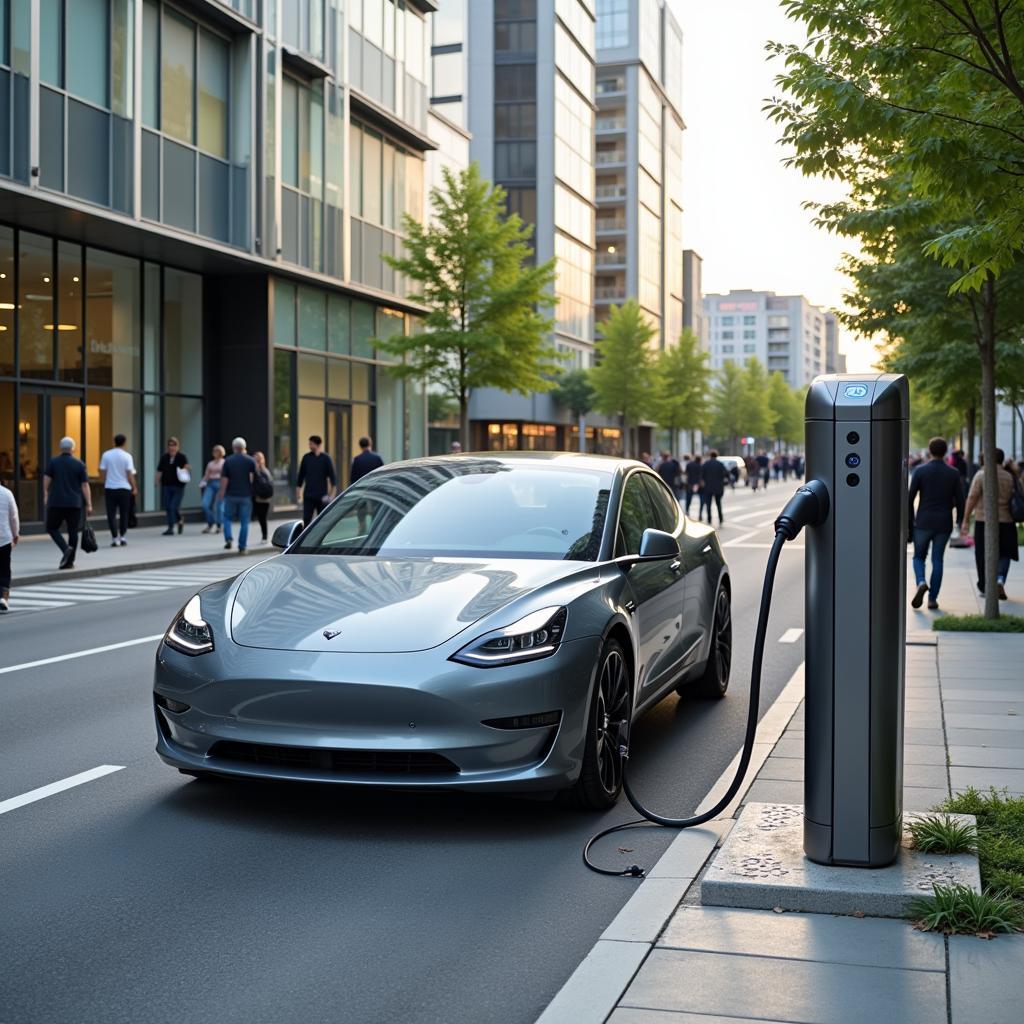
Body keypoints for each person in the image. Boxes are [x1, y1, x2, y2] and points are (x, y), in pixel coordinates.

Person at [908, 436, 965, 610]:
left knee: (918, 556)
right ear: (945, 452)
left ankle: (921, 582)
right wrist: (960, 521)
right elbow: (961, 500)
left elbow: (909, 498)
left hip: (924, 521)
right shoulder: (953, 473)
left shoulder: (920, 470)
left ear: (930, 451)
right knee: (937, 559)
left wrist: (910, 521)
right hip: (944, 522)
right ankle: (932, 599)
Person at [962, 448, 1019, 599]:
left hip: (984, 520)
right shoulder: (1009, 476)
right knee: (1006, 552)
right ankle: (1000, 579)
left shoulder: (981, 475)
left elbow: (972, 497)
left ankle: (985, 585)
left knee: (982, 554)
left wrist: (966, 519)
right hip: (1007, 520)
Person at [43, 437, 91, 569]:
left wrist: (45, 493)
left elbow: (46, 479)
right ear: (73, 448)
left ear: (60, 448)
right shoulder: (79, 464)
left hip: (56, 501)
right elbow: (85, 486)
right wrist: (89, 504)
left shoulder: (54, 462)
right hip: (74, 503)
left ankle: (65, 549)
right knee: (73, 531)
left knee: (51, 528)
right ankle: (70, 561)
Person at [218, 437, 257, 553]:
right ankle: (242, 546)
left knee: (227, 517)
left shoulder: (228, 461)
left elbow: (225, 479)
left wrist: (222, 492)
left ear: (234, 447)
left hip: (231, 495)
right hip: (246, 495)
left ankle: (229, 538)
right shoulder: (250, 461)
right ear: (244, 447)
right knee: (244, 521)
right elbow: (253, 478)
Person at [99, 433, 137, 547]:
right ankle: (123, 537)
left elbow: (102, 471)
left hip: (110, 488)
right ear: (124, 442)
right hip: (124, 488)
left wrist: (106, 481)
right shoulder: (127, 456)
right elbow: (129, 474)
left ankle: (115, 538)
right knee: (124, 513)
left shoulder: (106, 455)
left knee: (111, 514)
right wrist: (134, 487)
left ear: (114, 442)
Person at [296, 434, 337, 526]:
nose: (309, 445)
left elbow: (333, 478)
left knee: (322, 521)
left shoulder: (326, 458)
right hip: (308, 495)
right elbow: (300, 476)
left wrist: (331, 496)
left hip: (322, 496)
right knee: (306, 520)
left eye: (311, 443)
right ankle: (306, 540)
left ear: (317, 445)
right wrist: (298, 492)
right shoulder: (306, 458)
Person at [156, 437, 190, 536]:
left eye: (174, 445)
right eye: (170, 445)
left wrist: (187, 469)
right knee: (167, 506)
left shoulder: (181, 457)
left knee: (173, 506)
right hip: (166, 485)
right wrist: (157, 480)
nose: (172, 447)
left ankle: (175, 523)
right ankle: (172, 525)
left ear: (177, 446)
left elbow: (186, 469)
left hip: (178, 486)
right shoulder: (164, 457)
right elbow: (160, 470)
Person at [0, 478, 18, 612]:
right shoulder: (7, 493)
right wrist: (15, 534)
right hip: (4, 538)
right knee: (5, 569)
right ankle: (3, 598)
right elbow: (14, 516)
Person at [200, 445, 226, 534]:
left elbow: (226, 475)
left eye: (217, 451)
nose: (215, 453)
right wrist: (203, 482)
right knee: (205, 504)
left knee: (219, 506)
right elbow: (207, 474)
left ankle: (219, 525)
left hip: (220, 483)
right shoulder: (210, 463)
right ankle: (211, 522)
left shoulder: (224, 463)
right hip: (211, 483)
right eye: (214, 451)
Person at [252, 451, 274, 544]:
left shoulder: (258, 471)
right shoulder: (266, 470)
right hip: (265, 498)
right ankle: (264, 536)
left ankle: (264, 536)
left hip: (260, 497)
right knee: (262, 518)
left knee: (262, 518)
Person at [700, 450, 727, 526]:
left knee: (708, 505)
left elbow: (701, 475)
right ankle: (720, 519)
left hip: (708, 487)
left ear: (710, 456)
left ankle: (709, 519)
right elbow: (725, 474)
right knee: (718, 504)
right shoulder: (720, 464)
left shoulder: (706, 464)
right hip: (718, 487)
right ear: (716, 456)